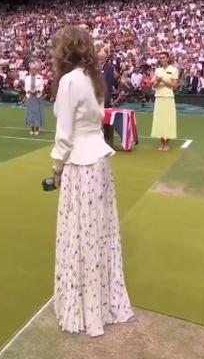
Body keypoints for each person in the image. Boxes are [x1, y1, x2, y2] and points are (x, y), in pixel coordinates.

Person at [50, 26, 133, 338]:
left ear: (66, 52)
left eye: (57, 49)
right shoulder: (93, 78)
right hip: (98, 162)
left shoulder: (70, 80)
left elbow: (64, 132)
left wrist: (57, 167)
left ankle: (83, 306)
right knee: (97, 231)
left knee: (80, 233)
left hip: (81, 164)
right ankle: (99, 302)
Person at [151, 52, 179, 151]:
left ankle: (167, 143)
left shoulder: (174, 70)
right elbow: (154, 85)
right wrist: (158, 81)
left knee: (167, 120)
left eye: (163, 57)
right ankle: (161, 142)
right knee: (159, 120)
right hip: (158, 97)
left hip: (168, 98)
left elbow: (174, 85)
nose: (162, 59)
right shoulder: (157, 70)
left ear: (168, 59)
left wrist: (163, 79)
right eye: (160, 58)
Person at [23, 63, 45, 136]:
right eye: (31, 69)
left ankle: (37, 129)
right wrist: (29, 91)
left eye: (34, 69)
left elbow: (42, 87)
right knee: (30, 113)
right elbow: (26, 87)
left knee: (37, 113)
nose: (32, 71)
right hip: (29, 97)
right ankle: (32, 129)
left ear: (36, 70)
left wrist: (37, 91)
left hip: (37, 97)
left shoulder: (40, 77)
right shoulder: (27, 78)